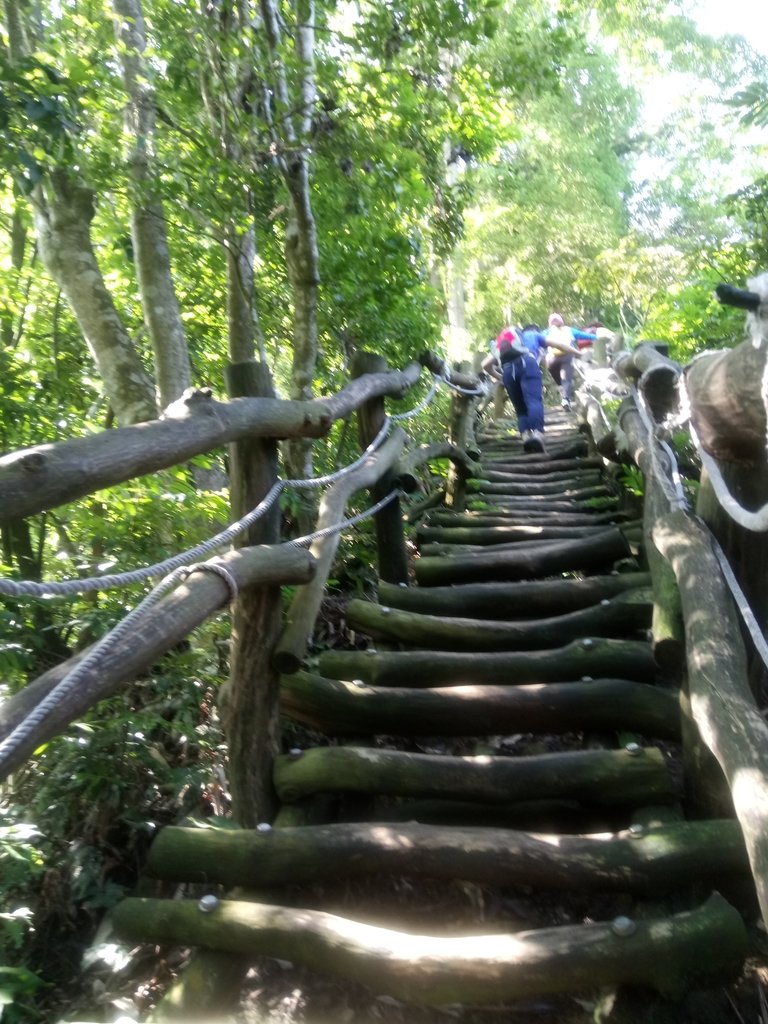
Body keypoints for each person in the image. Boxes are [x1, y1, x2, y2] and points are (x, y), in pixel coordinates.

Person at [481, 327, 546, 453]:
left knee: (520, 409)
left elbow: (485, 365)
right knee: (533, 401)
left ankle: (526, 437)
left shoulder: (498, 346)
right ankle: (538, 434)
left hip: (507, 371)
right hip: (527, 363)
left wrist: (500, 377)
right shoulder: (527, 336)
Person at [544, 313, 597, 410]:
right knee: (566, 380)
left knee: (560, 381)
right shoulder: (569, 330)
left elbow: (539, 342)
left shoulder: (546, 332)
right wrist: (597, 337)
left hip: (551, 360)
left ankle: (563, 391)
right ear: (562, 322)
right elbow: (586, 336)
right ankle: (565, 399)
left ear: (550, 323)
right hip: (567, 356)